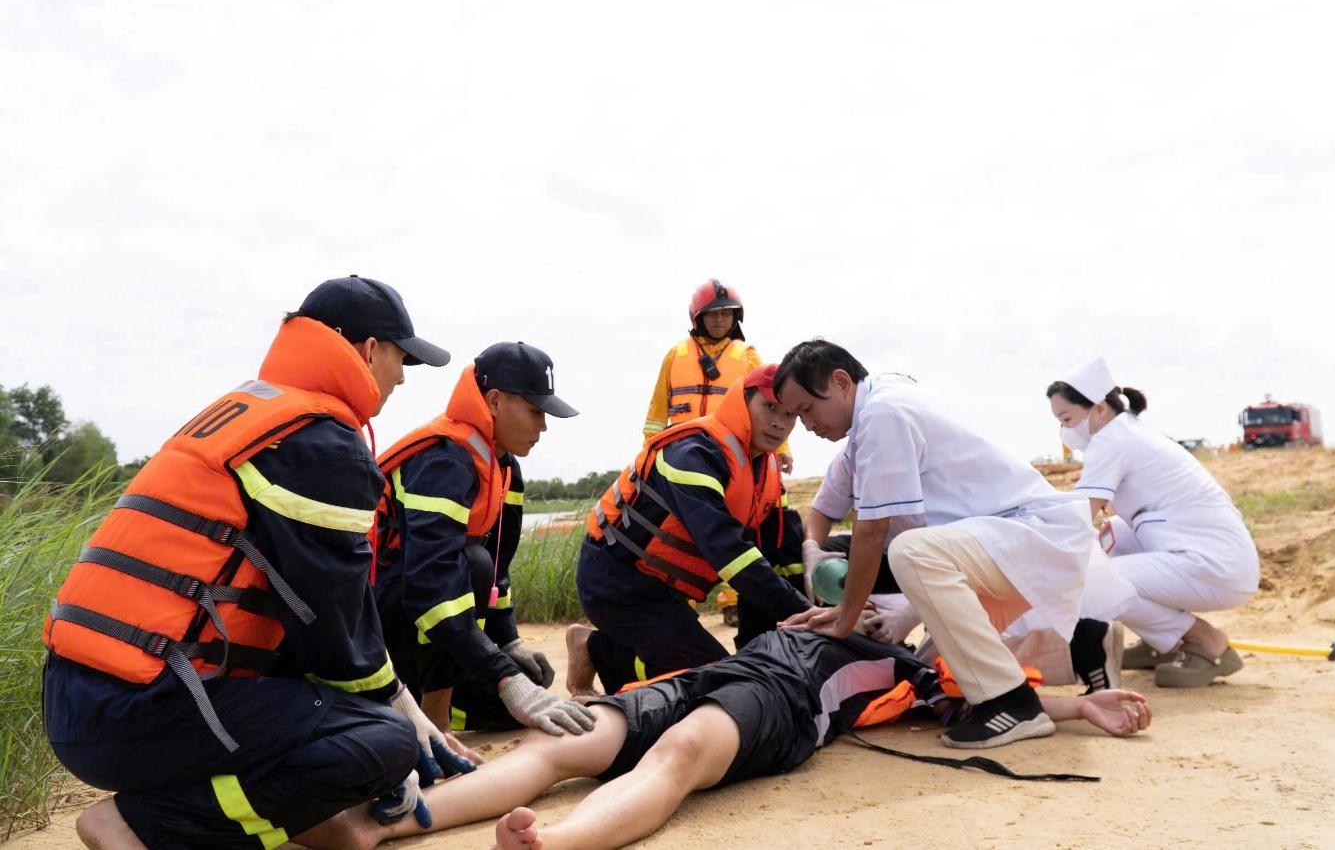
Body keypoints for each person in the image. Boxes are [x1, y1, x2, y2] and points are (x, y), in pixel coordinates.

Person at [43, 276, 480, 848]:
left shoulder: (253, 413)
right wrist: (397, 718)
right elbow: (334, 626)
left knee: (363, 727)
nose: (401, 377)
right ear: (370, 351)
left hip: (82, 695)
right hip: (137, 709)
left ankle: (193, 803)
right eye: (402, 359)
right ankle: (140, 827)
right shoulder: (317, 440)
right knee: (381, 745)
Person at [305, 630, 1152, 850]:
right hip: (719, 675)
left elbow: (1001, 696)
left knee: (676, 760)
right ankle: (385, 823)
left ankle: (555, 841)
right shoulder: (832, 618)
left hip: (775, 703)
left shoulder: (910, 671)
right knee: (556, 749)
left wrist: (1088, 705)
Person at [775, 340, 1135, 749]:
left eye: (806, 409)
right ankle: (1063, 672)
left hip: (1023, 538)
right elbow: (837, 517)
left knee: (908, 551)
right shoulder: (873, 417)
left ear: (840, 382)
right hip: (998, 545)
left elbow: (872, 532)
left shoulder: (882, 413)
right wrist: (816, 560)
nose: (805, 425)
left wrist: (844, 618)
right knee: (936, 673)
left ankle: (1012, 703)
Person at [374, 342, 596, 736]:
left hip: (425, 624)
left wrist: (509, 643)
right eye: (535, 411)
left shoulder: (504, 466)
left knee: (524, 691)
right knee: (469, 567)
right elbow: (432, 590)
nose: (543, 426)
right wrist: (504, 676)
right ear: (493, 401)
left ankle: (431, 704)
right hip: (379, 618)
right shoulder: (444, 461)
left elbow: (499, 569)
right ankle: (436, 722)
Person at [567, 365, 810, 695]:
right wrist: (808, 615)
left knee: (738, 675)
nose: (780, 423)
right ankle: (594, 649)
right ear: (742, 401)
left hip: (665, 592)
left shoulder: (762, 470)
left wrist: (790, 632)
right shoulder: (693, 454)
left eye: (790, 414)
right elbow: (731, 554)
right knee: (710, 681)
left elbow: (772, 556)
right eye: (769, 407)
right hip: (617, 584)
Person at [1049, 356, 1260, 687]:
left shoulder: (1111, 440)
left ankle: (1205, 641)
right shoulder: (1128, 431)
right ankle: (1163, 642)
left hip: (1216, 566)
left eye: (1067, 418)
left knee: (1095, 583)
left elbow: (1079, 515)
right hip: (1210, 553)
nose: (1065, 430)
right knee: (1109, 539)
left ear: (1100, 408)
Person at [641, 279, 793, 473]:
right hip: (680, 451)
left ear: (735, 316)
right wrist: (648, 451)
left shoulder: (748, 357)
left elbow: (773, 405)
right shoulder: (675, 356)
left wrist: (781, 448)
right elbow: (656, 414)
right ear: (699, 318)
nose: (719, 319)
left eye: (726, 313)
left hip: (730, 450)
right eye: (712, 314)